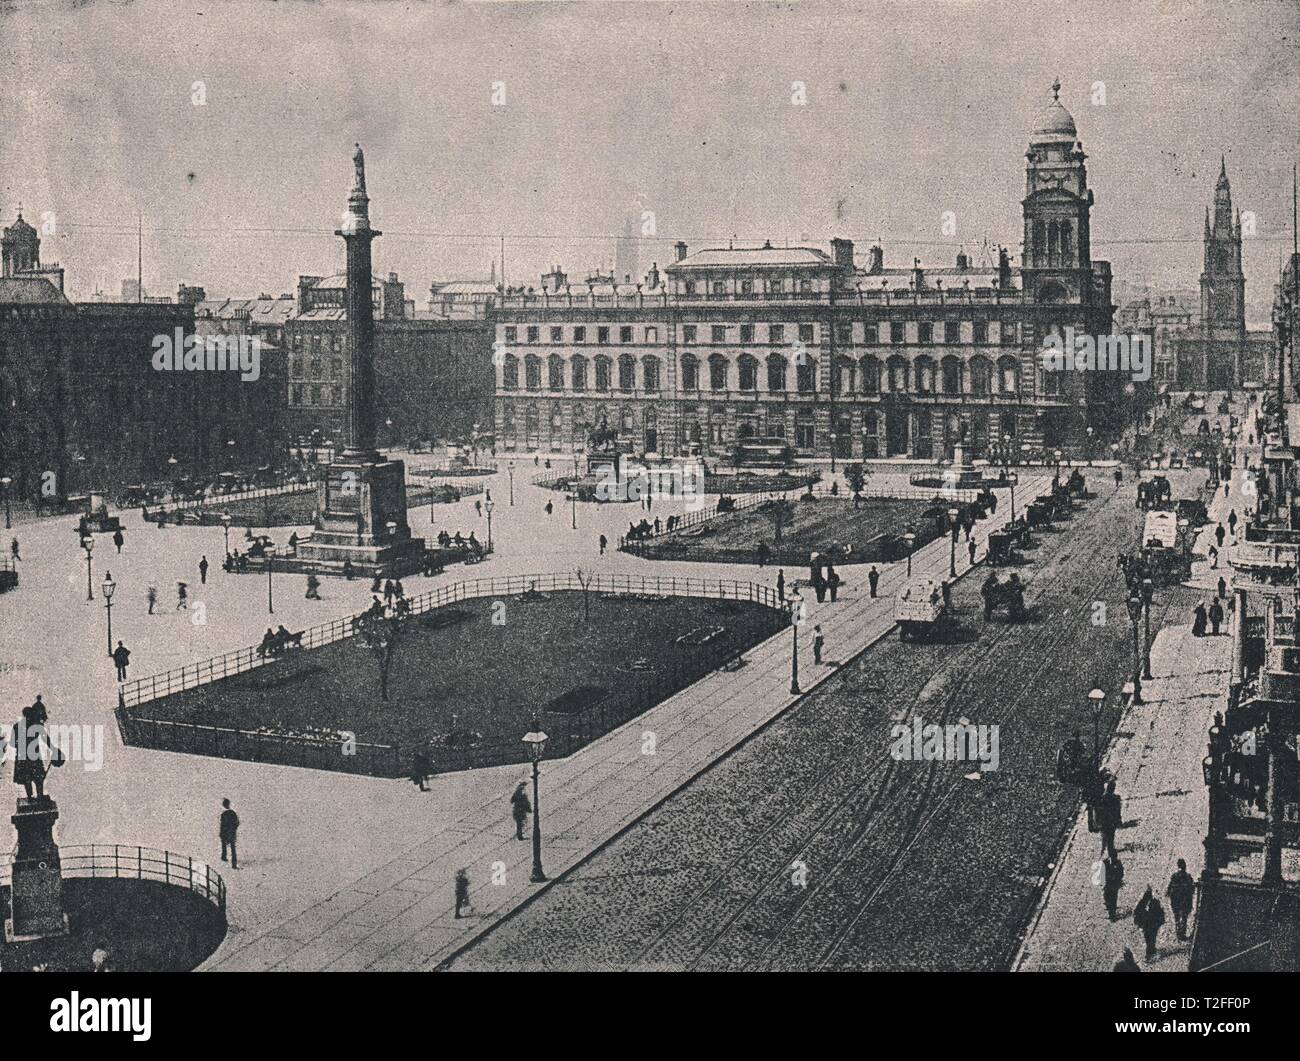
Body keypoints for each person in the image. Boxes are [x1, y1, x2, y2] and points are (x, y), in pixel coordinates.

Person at [1133, 885, 1166, 960]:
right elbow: (1160, 913)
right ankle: (1150, 953)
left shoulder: (1143, 903)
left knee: (1149, 938)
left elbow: (1136, 912)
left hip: (1149, 925)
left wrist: (1139, 923)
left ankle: (1151, 951)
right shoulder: (1153, 902)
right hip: (1150, 925)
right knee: (1150, 939)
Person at [1166, 858, 1196, 941]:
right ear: (1185, 866)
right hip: (1185, 901)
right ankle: (1182, 933)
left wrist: (1169, 893)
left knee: (1177, 917)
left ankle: (1178, 933)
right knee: (1184, 917)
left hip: (1176, 900)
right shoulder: (1188, 877)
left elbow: (1169, 888)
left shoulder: (1174, 876)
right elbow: (1192, 889)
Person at [1098, 778, 1122, 860]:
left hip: (1103, 822)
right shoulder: (1116, 798)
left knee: (1104, 838)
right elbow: (1118, 811)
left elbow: (1098, 811)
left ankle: (1104, 854)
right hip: (1112, 822)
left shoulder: (1101, 798)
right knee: (1110, 838)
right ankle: (1110, 853)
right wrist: (1119, 820)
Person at [1102, 855, 1125, 921]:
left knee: (1110, 898)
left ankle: (1112, 914)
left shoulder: (1114, 874)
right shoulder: (1117, 874)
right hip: (1113, 885)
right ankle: (1112, 914)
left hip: (1111, 885)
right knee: (1111, 898)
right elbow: (1120, 873)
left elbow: (1120, 873)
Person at [219, 798, 239, 869]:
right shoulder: (233, 813)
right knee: (233, 849)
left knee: (224, 845)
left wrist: (221, 833)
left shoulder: (223, 814)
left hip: (225, 833)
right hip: (232, 833)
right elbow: (237, 823)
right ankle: (234, 864)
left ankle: (224, 857)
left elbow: (222, 825)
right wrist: (233, 830)